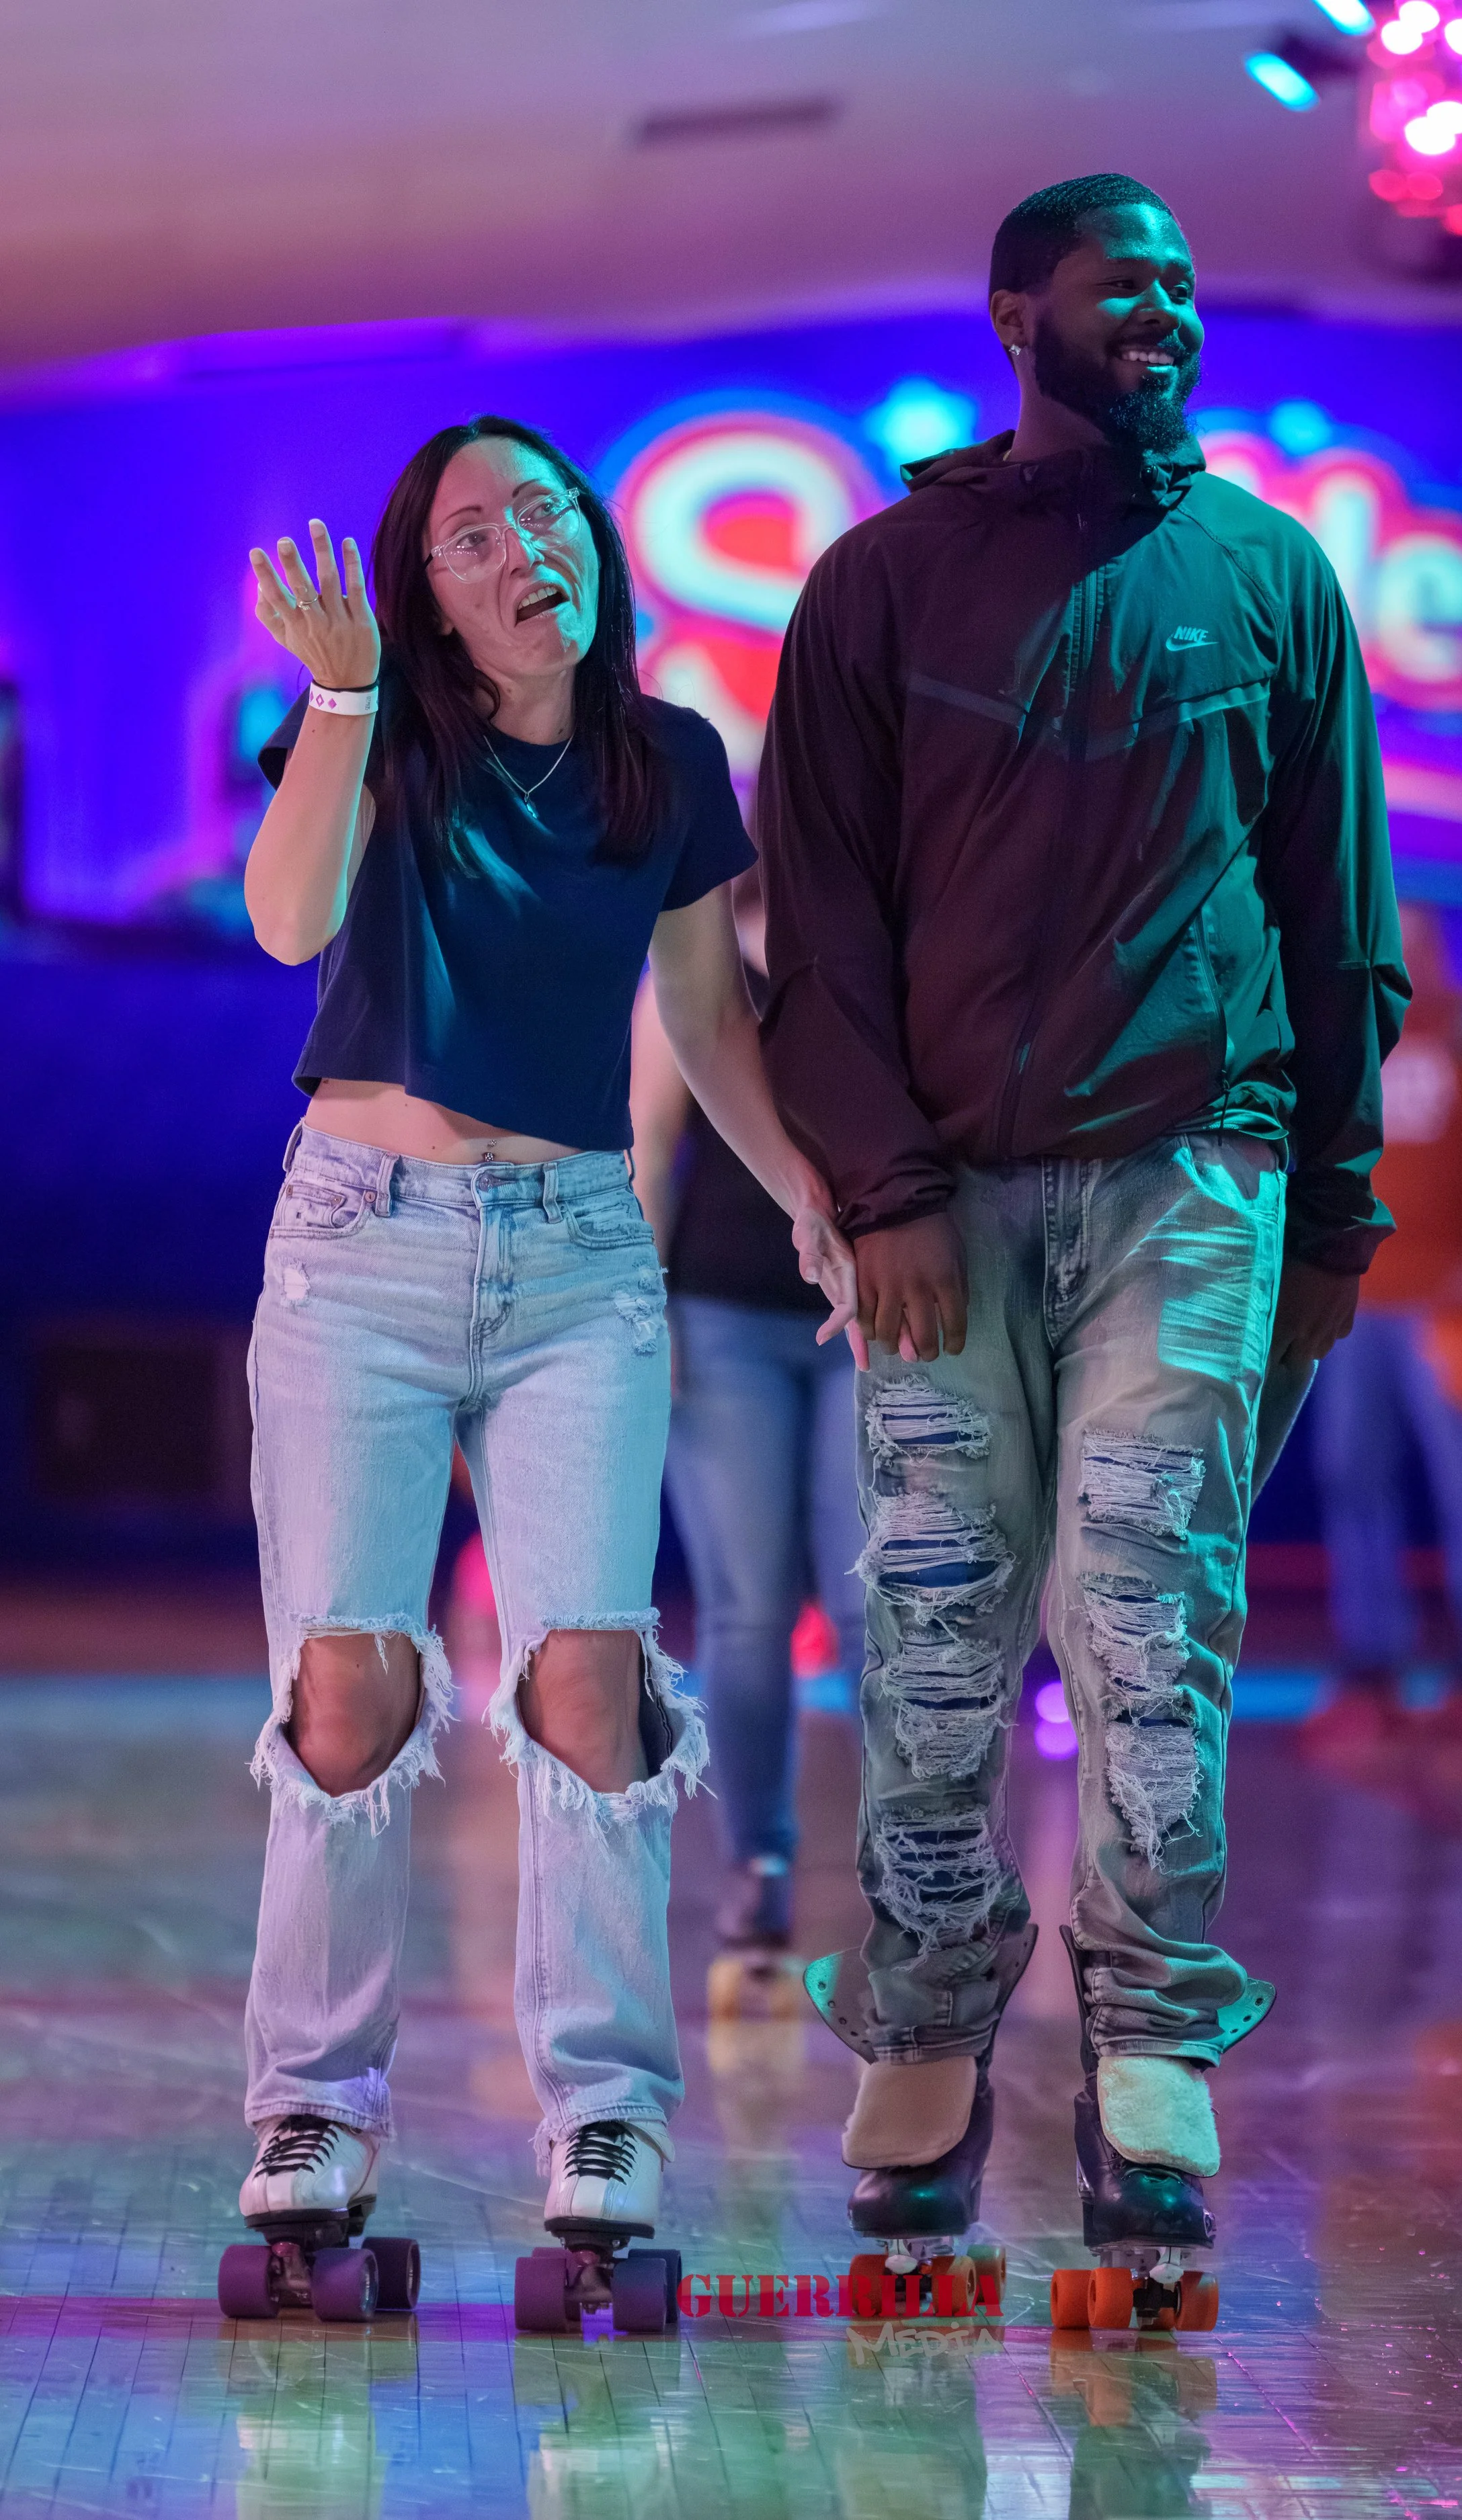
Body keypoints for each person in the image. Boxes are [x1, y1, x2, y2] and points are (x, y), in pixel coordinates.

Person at [756, 175, 1406, 2263]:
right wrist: (883, 1189)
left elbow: (1337, 932)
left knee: (1147, 1620)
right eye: (1124, 283)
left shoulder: (1267, 580)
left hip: (1191, 1179)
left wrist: (1328, 1209)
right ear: (1011, 315)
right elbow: (820, 938)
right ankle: (929, 2024)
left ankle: (1149, 2041)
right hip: (938, 1195)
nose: (1168, 313)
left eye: (1185, 286)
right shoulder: (875, 584)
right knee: (939, 1632)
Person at [235, 416, 857, 2261]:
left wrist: (809, 1191)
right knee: (348, 1687)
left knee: (591, 1679)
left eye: (547, 514)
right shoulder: (385, 736)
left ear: (592, 546)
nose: (528, 547)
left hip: (582, 1253)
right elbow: (285, 922)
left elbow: (701, 1010)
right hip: (358, 1242)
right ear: (427, 594)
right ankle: (312, 2111)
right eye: (475, 530)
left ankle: (605, 2115)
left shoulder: (664, 760)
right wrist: (341, 704)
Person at [629, 865, 866, 1982]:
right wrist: (647, 1313)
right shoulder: (691, 958)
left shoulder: (873, 957)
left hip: (867, 1316)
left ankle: (913, 1869)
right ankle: (759, 1864)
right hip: (720, 1319)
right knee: (747, 1610)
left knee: (880, 1607)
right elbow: (645, 1145)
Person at [1306, 900, 1462, 1753]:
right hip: (1358, 1303)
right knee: (1349, 1473)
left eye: (1413, 935)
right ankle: (1372, 1657)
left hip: (1452, 1303)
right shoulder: (1345, 1037)